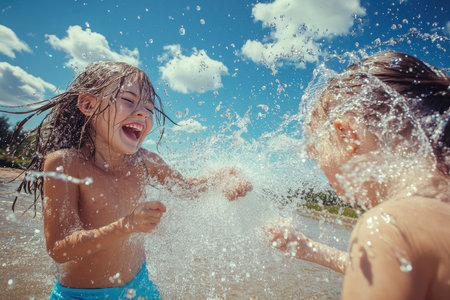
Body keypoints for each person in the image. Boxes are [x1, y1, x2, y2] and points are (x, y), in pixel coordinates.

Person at [2, 61, 252, 299]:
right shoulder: (66, 163)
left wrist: (227, 176)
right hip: (82, 296)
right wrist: (127, 225)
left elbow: (188, 188)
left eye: (149, 109)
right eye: (129, 100)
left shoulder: (145, 161)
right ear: (88, 105)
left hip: (140, 288)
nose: (143, 112)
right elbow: (59, 248)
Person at [266, 52, 450, 299]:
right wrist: (309, 249)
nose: (317, 164)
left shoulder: (387, 227)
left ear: (347, 135)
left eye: (316, 150)